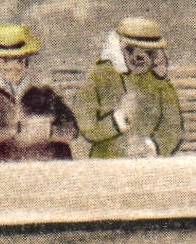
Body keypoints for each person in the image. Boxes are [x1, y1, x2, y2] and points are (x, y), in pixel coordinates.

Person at [0, 24, 77, 161]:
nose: (12, 67)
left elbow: (72, 131)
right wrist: (11, 131)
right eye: (4, 61)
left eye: (18, 60)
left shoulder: (46, 95)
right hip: (7, 172)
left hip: (50, 168)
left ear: (26, 60)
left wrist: (49, 131)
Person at [74, 17, 183, 158]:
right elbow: (86, 127)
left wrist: (152, 147)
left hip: (148, 165)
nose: (140, 57)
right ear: (118, 48)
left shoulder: (160, 84)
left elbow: (172, 127)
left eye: (149, 52)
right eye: (131, 50)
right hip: (106, 163)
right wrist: (119, 119)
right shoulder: (98, 77)